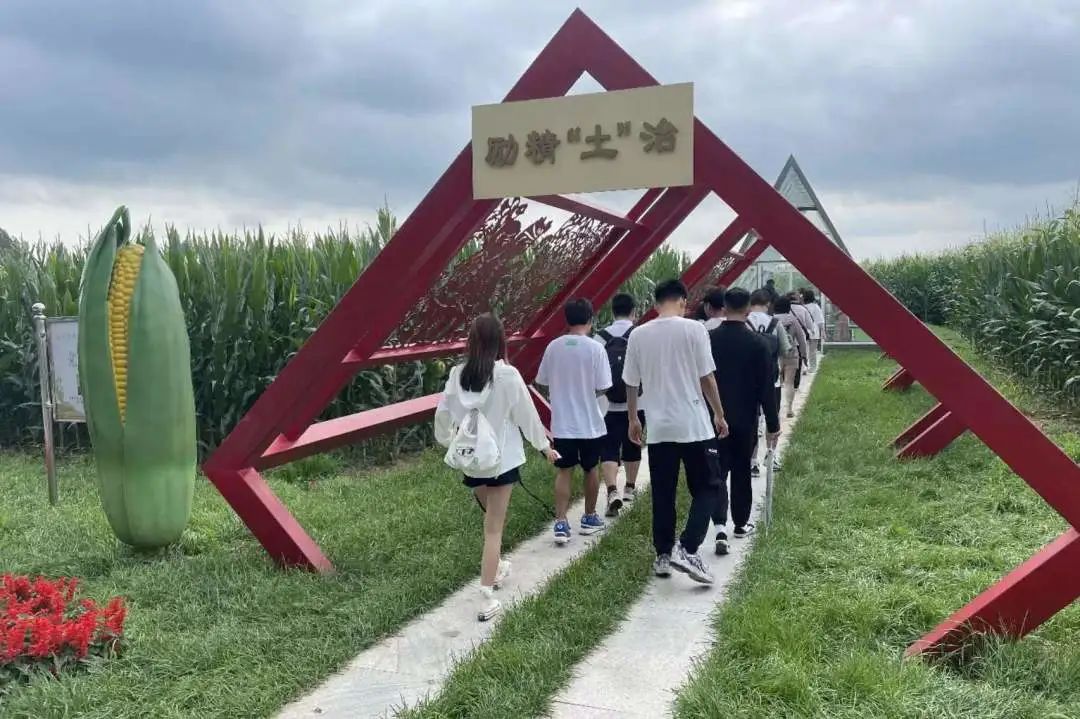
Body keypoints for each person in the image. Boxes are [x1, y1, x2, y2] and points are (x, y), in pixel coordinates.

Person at [435, 314, 559, 622]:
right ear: (500, 341)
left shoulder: (457, 374)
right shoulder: (507, 375)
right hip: (502, 461)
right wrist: (544, 447)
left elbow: (443, 414)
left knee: (489, 519)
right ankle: (487, 596)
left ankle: (498, 567)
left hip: (471, 461)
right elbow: (527, 416)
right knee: (493, 529)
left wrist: (449, 441)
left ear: (472, 341)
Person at [623, 279, 728, 585]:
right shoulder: (694, 329)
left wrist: (633, 418)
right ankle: (689, 547)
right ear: (683, 301)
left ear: (656, 304)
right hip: (694, 424)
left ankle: (663, 555)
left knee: (663, 493)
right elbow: (707, 377)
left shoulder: (638, 334)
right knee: (709, 486)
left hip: (659, 428)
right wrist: (719, 413)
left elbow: (631, 382)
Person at [708, 287, 781, 554]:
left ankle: (719, 526)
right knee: (741, 471)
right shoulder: (758, 344)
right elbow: (766, 388)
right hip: (745, 418)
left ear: (724, 308)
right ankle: (740, 523)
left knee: (717, 472)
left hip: (713, 418)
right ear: (748, 309)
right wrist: (773, 424)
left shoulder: (709, 339)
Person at [535, 298, 612, 545]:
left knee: (564, 470)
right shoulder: (595, 349)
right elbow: (604, 386)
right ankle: (589, 518)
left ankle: (560, 522)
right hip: (590, 423)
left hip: (562, 424)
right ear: (590, 319)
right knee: (591, 469)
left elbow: (542, 380)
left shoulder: (553, 347)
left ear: (566, 320)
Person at [595, 293, 642, 517]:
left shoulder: (600, 337)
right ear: (633, 311)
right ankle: (630, 488)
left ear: (613, 311)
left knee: (609, 448)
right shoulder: (639, 334)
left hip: (607, 404)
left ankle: (612, 489)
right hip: (638, 402)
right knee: (633, 444)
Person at [746, 289, 790, 475]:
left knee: (752, 420)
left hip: (748, 381)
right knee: (772, 417)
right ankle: (771, 456)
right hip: (772, 380)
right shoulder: (775, 323)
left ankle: (752, 461)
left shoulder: (745, 323)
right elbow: (785, 350)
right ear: (768, 304)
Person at [773, 296, 808, 418]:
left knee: (775, 383)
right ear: (788, 307)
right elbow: (801, 339)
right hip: (791, 353)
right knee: (789, 382)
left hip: (775, 355)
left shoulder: (772, 320)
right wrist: (804, 355)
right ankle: (789, 409)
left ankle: (775, 410)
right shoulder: (793, 320)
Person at [787, 291, 816, 376]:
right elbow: (810, 324)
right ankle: (801, 369)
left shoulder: (784, 309)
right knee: (801, 354)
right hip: (801, 338)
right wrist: (812, 331)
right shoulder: (803, 309)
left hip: (788, 338)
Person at [801, 289, 826, 367]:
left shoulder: (802, 307)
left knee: (804, 350)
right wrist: (823, 331)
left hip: (804, 331)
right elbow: (820, 320)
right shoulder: (816, 307)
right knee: (813, 350)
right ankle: (813, 367)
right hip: (814, 331)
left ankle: (804, 366)